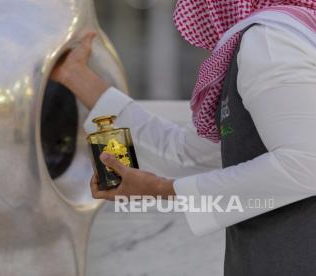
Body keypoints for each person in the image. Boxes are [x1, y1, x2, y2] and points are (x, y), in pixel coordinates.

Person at [51, 1, 316, 275]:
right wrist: (75, 75)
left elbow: (307, 164)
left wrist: (159, 189)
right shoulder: (286, 35)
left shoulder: (272, 40)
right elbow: (187, 154)